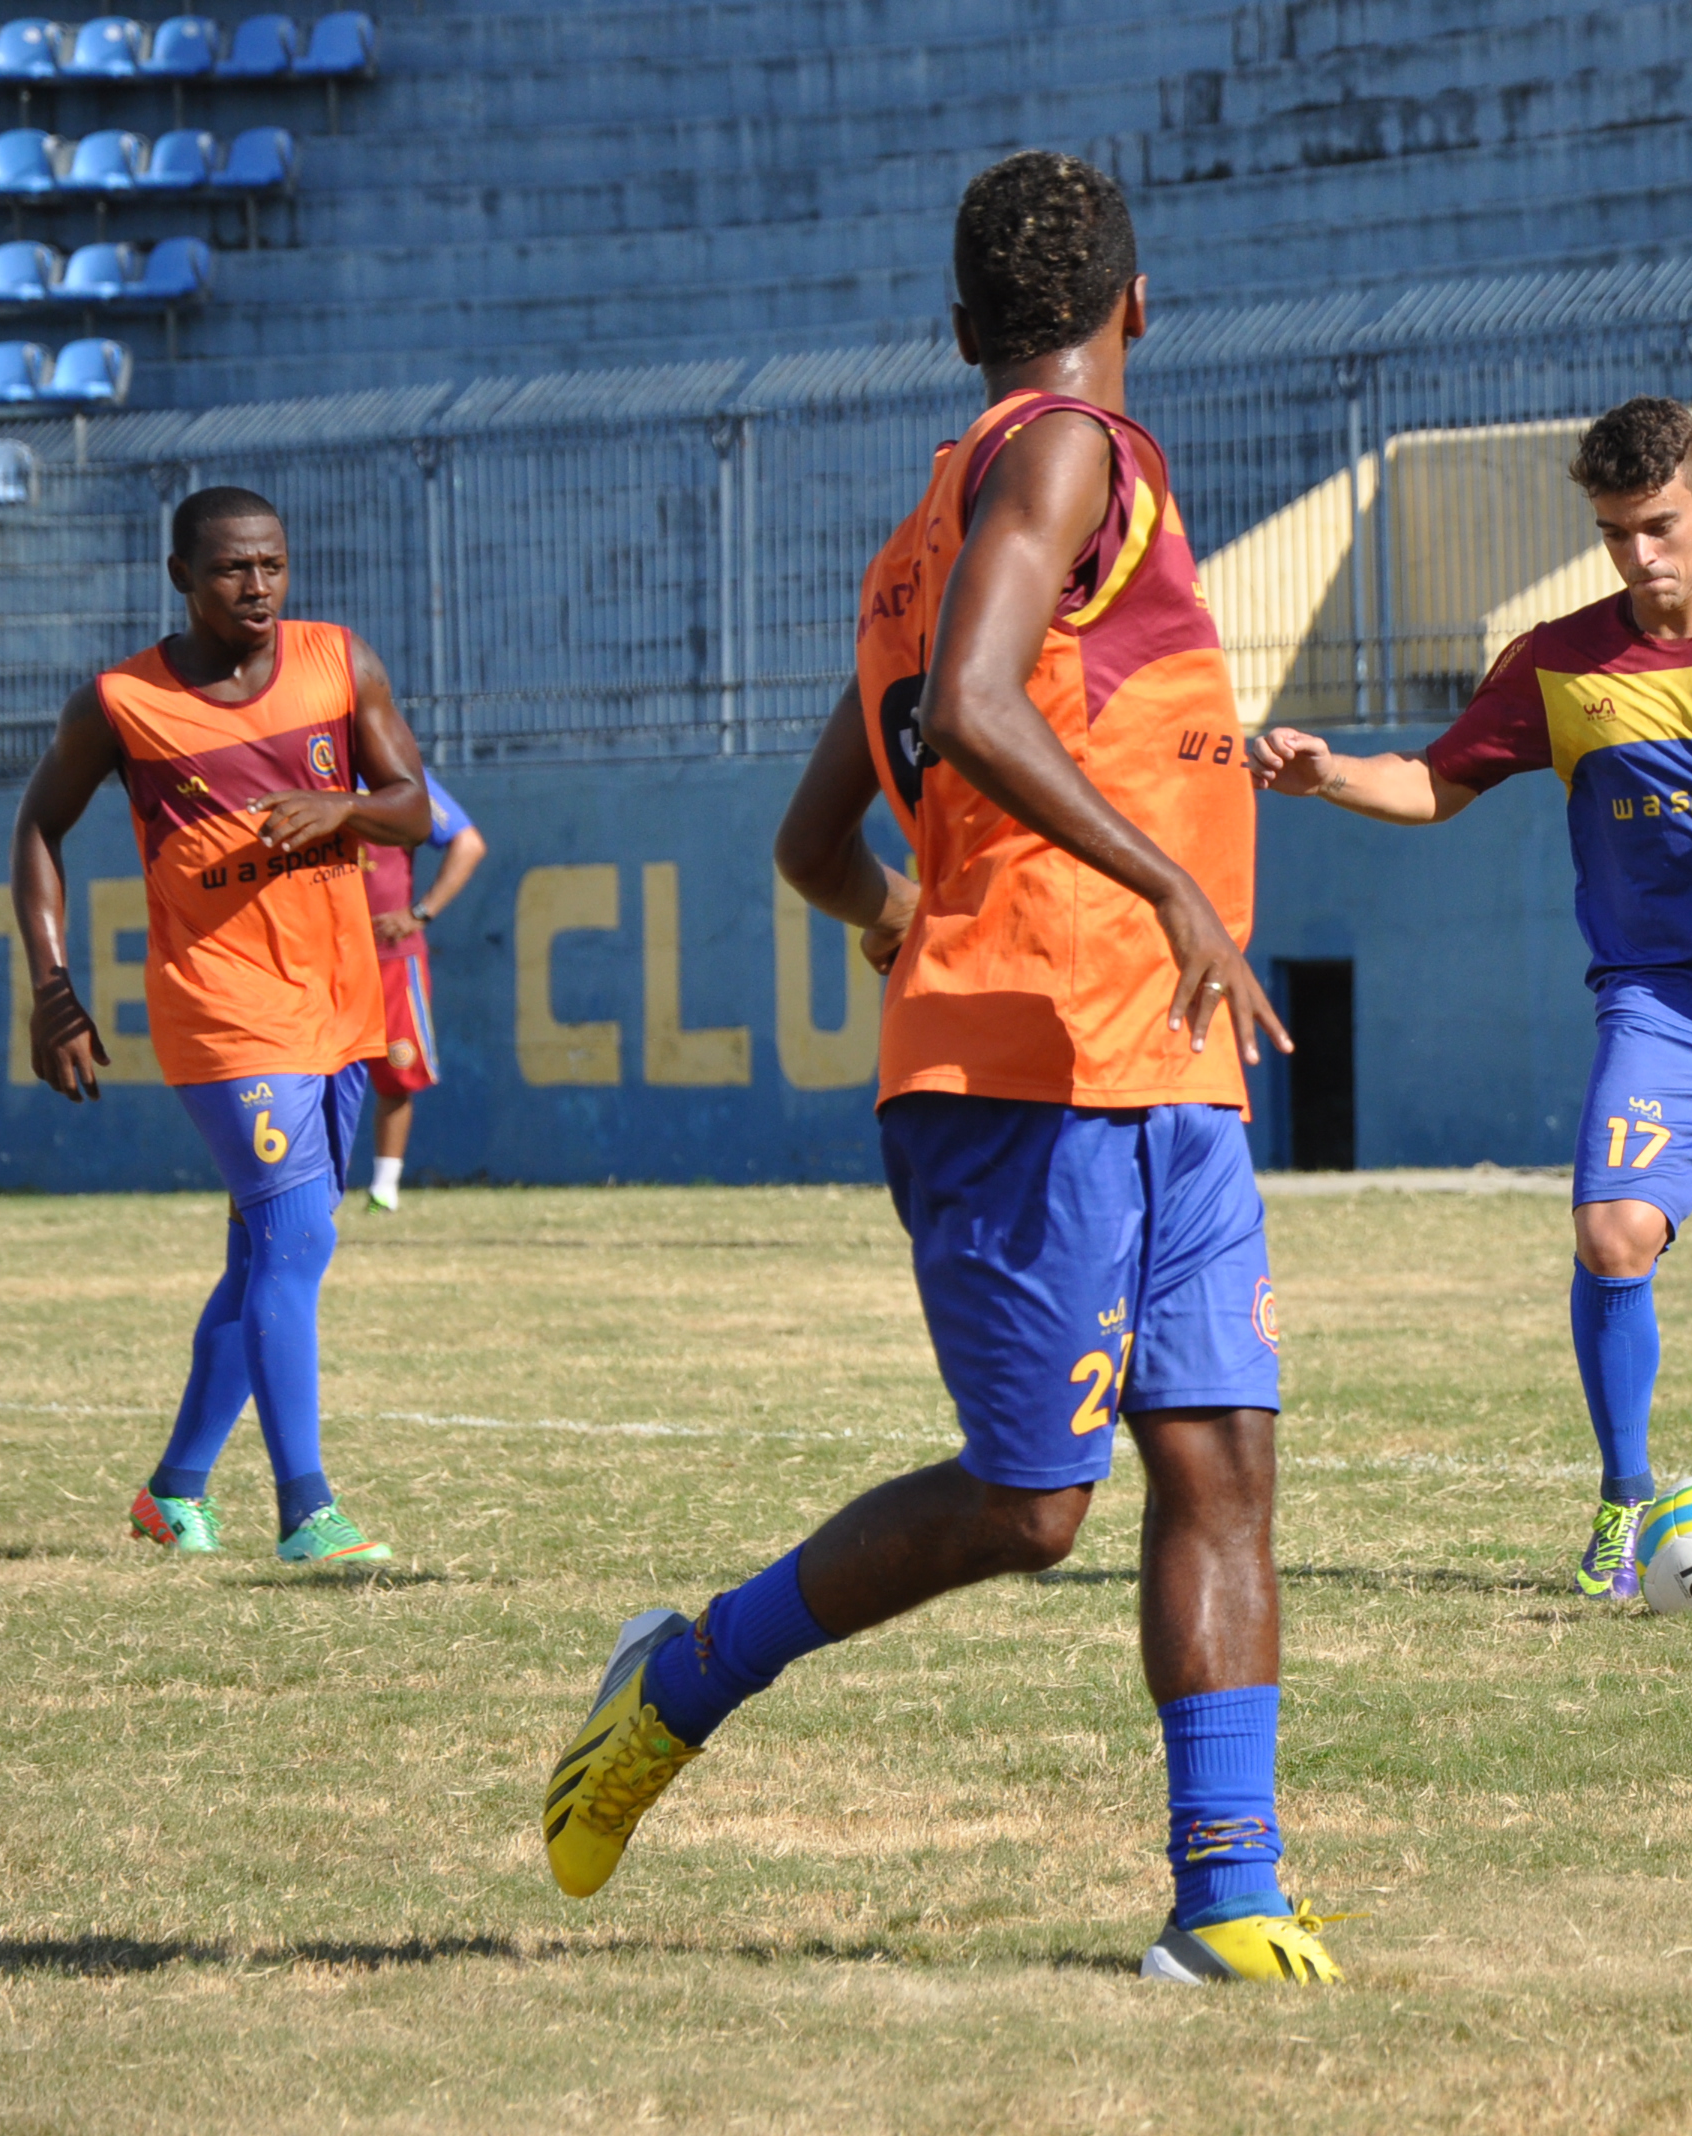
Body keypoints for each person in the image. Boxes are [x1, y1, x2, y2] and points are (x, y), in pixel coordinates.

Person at [542, 152, 1340, 1986]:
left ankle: (1227, 1898)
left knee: (1220, 1459)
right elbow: (973, 708)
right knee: (1030, 1506)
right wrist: (1161, 883)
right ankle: (681, 1680)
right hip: (1029, 1070)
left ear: (959, 322)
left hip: (1155, 1055)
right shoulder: (1069, 454)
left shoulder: (928, 537)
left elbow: (814, 842)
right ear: (1139, 305)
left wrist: (911, 917)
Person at [1251, 395, 1692, 1601]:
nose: (1639, 554)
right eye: (1615, 532)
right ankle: (1623, 1500)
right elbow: (1435, 781)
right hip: (1664, 1010)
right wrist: (1331, 773)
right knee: (1612, 1235)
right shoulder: (1558, 661)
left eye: (1659, 525)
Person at [9, 485, 425, 1566]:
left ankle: (174, 1492)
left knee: (266, 1254)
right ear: (181, 577)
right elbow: (39, 826)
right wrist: (52, 986)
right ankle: (307, 1511)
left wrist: (344, 807)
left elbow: (414, 807)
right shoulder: (121, 703)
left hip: (338, 1002)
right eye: (234, 568)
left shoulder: (339, 662)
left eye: (272, 564)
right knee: (301, 1239)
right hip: (223, 1006)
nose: (258, 586)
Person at [356, 767, 484, 1211]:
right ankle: (314, 1184)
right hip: (320, 957)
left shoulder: (397, 776)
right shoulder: (307, 768)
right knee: (311, 1078)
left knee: (397, 1074)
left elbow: (467, 843)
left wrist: (419, 913)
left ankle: (384, 1187)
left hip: (390, 956)